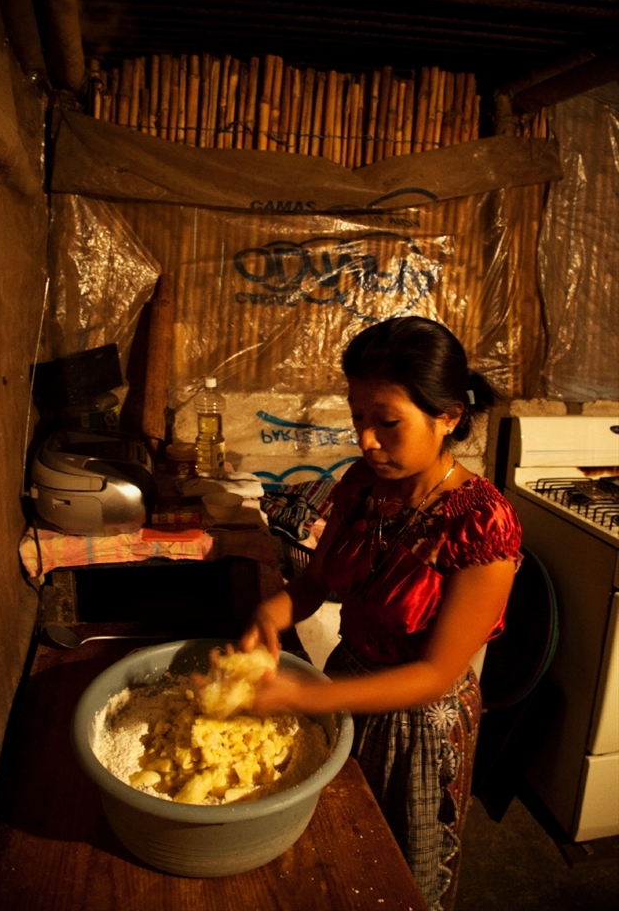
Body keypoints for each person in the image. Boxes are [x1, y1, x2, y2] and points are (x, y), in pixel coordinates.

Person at [240, 315, 522, 911]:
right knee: (331, 855)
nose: (366, 440)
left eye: (387, 422)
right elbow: (316, 581)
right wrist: (270, 615)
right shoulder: (362, 486)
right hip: (342, 682)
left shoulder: (480, 523)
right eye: (358, 418)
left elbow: (435, 675)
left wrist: (301, 697)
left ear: (447, 416)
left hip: (418, 728)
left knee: (395, 878)